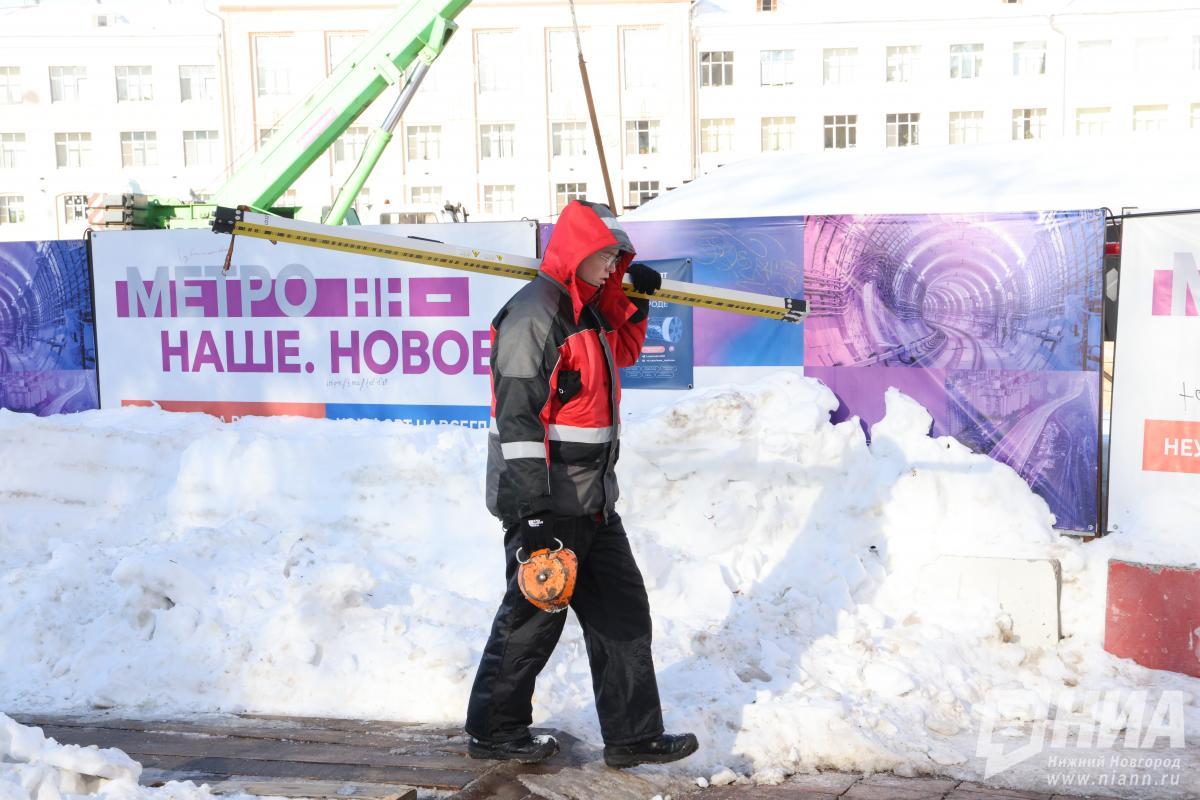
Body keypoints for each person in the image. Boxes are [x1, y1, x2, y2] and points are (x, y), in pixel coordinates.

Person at [464, 200, 699, 768]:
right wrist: (534, 512)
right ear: (578, 250)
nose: (613, 264)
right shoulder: (534, 316)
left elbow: (625, 352)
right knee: (531, 621)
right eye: (606, 255)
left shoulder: (587, 314)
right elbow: (517, 422)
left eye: (619, 257)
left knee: (622, 613)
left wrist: (635, 301)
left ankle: (633, 736)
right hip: (548, 503)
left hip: (592, 501)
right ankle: (494, 731)